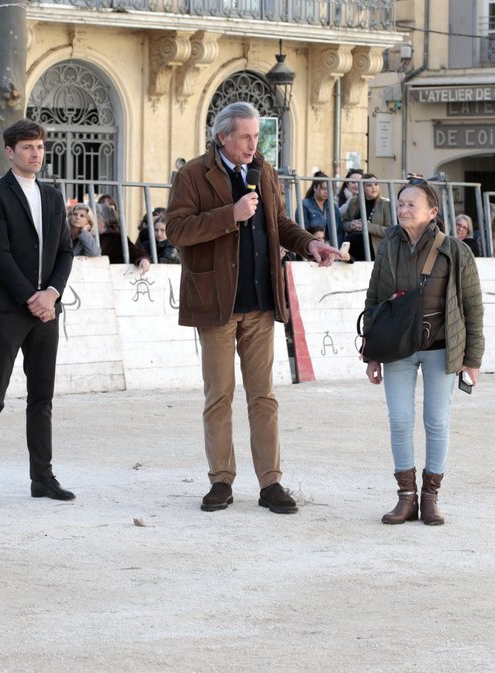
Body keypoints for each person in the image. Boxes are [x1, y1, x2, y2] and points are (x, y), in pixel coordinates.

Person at [166, 101, 343, 514]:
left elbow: (279, 223)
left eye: (256, 137)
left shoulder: (263, 170)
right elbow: (176, 230)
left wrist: (310, 244)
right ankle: (221, 481)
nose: (253, 145)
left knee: (263, 396)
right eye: (245, 137)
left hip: (262, 303)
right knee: (219, 395)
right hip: (217, 304)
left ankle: (271, 483)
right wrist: (230, 215)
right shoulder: (192, 175)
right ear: (222, 136)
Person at [0, 118, 74, 508]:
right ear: (10, 152)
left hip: (47, 308)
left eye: (41, 147)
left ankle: (42, 477)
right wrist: (33, 297)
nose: (36, 153)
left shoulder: (54, 196)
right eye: (28, 147)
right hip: (10, 307)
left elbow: (65, 251)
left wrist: (52, 294)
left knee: (42, 396)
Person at [364, 179, 484, 526]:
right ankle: (406, 498)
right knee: (400, 421)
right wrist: (370, 354)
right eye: (400, 203)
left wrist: (472, 359)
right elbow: (374, 300)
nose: (403, 209)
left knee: (437, 421)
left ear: (432, 212)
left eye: (411, 204)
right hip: (396, 349)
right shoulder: (388, 246)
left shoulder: (456, 250)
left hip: (441, 348)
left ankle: (431, 497)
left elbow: (473, 308)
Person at [342, 173, 393, 259]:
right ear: (362, 187)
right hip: (352, 249)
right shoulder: (353, 202)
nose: (374, 188)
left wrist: (367, 226)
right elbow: (344, 223)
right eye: (369, 185)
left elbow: (390, 230)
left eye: (376, 184)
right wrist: (351, 225)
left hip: (374, 250)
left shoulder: (385, 204)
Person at [97, 202, 151, 273]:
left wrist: (142, 259)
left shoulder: (115, 237)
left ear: (104, 220)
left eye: (94, 218)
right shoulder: (87, 236)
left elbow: (132, 250)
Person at [297, 171, 340, 244]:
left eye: (329, 189)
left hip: (330, 248)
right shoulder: (304, 205)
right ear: (315, 188)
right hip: (312, 247)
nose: (327, 192)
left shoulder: (332, 207)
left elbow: (339, 231)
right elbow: (301, 230)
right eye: (324, 189)